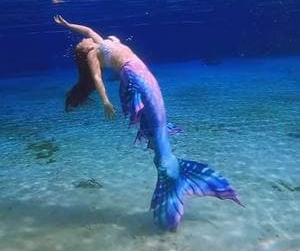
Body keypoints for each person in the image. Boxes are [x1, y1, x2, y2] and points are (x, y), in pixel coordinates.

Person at [54, 15, 242, 230]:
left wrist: (68, 26)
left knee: (160, 118)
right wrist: (106, 101)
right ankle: (168, 168)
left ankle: (169, 165)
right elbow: (97, 79)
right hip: (133, 76)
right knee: (154, 120)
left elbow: (86, 29)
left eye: (81, 41)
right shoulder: (93, 54)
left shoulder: (97, 42)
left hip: (141, 71)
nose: (81, 41)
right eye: (80, 44)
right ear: (84, 51)